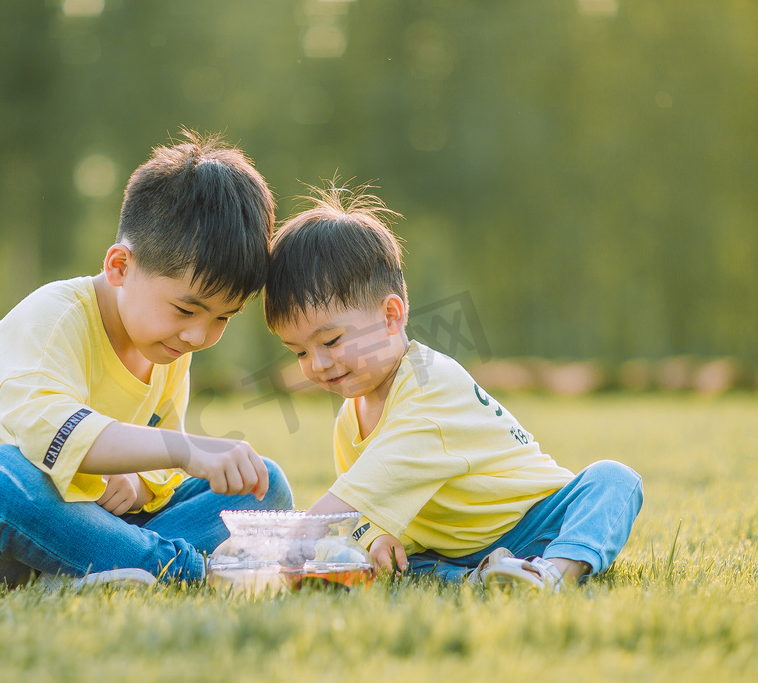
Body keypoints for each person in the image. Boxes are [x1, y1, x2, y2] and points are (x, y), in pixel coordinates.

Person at [0, 131, 293, 587]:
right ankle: (186, 571)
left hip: (83, 526)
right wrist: (188, 450)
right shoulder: (52, 321)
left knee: (262, 485)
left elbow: (160, 463)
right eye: (186, 309)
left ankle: (89, 571)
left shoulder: (167, 345)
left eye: (222, 318)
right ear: (119, 267)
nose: (198, 335)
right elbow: (51, 435)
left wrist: (137, 484)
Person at [263, 184, 642, 591]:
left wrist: (307, 527)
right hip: (452, 548)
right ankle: (480, 577)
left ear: (391, 316)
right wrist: (375, 538)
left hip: (533, 520)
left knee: (613, 480)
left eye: (331, 342)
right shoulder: (349, 421)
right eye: (299, 352)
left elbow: (380, 471)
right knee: (402, 563)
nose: (317, 365)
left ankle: (553, 571)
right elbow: (364, 509)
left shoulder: (432, 382)